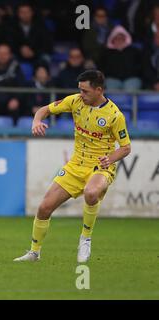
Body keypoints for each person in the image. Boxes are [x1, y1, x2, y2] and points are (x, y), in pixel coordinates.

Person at [14, 70, 131, 263]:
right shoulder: (75, 101)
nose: (81, 95)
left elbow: (126, 148)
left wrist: (110, 159)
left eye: (85, 91)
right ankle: (34, 253)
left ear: (99, 90)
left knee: (91, 193)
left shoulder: (114, 115)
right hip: (76, 165)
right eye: (80, 90)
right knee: (44, 208)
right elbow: (44, 110)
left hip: (100, 166)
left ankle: (85, 239)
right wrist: (37, 121)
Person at [100, 25, 142, 90]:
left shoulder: (134, 51)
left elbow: (140, 67)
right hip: (112, 79)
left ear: (125, 39)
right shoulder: (106, 53)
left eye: (121, 38)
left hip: (131, 79)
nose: (119, 40)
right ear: (112, 40)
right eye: (117, 38)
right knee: (111, 89)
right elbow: (102, 69)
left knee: (130, 88)